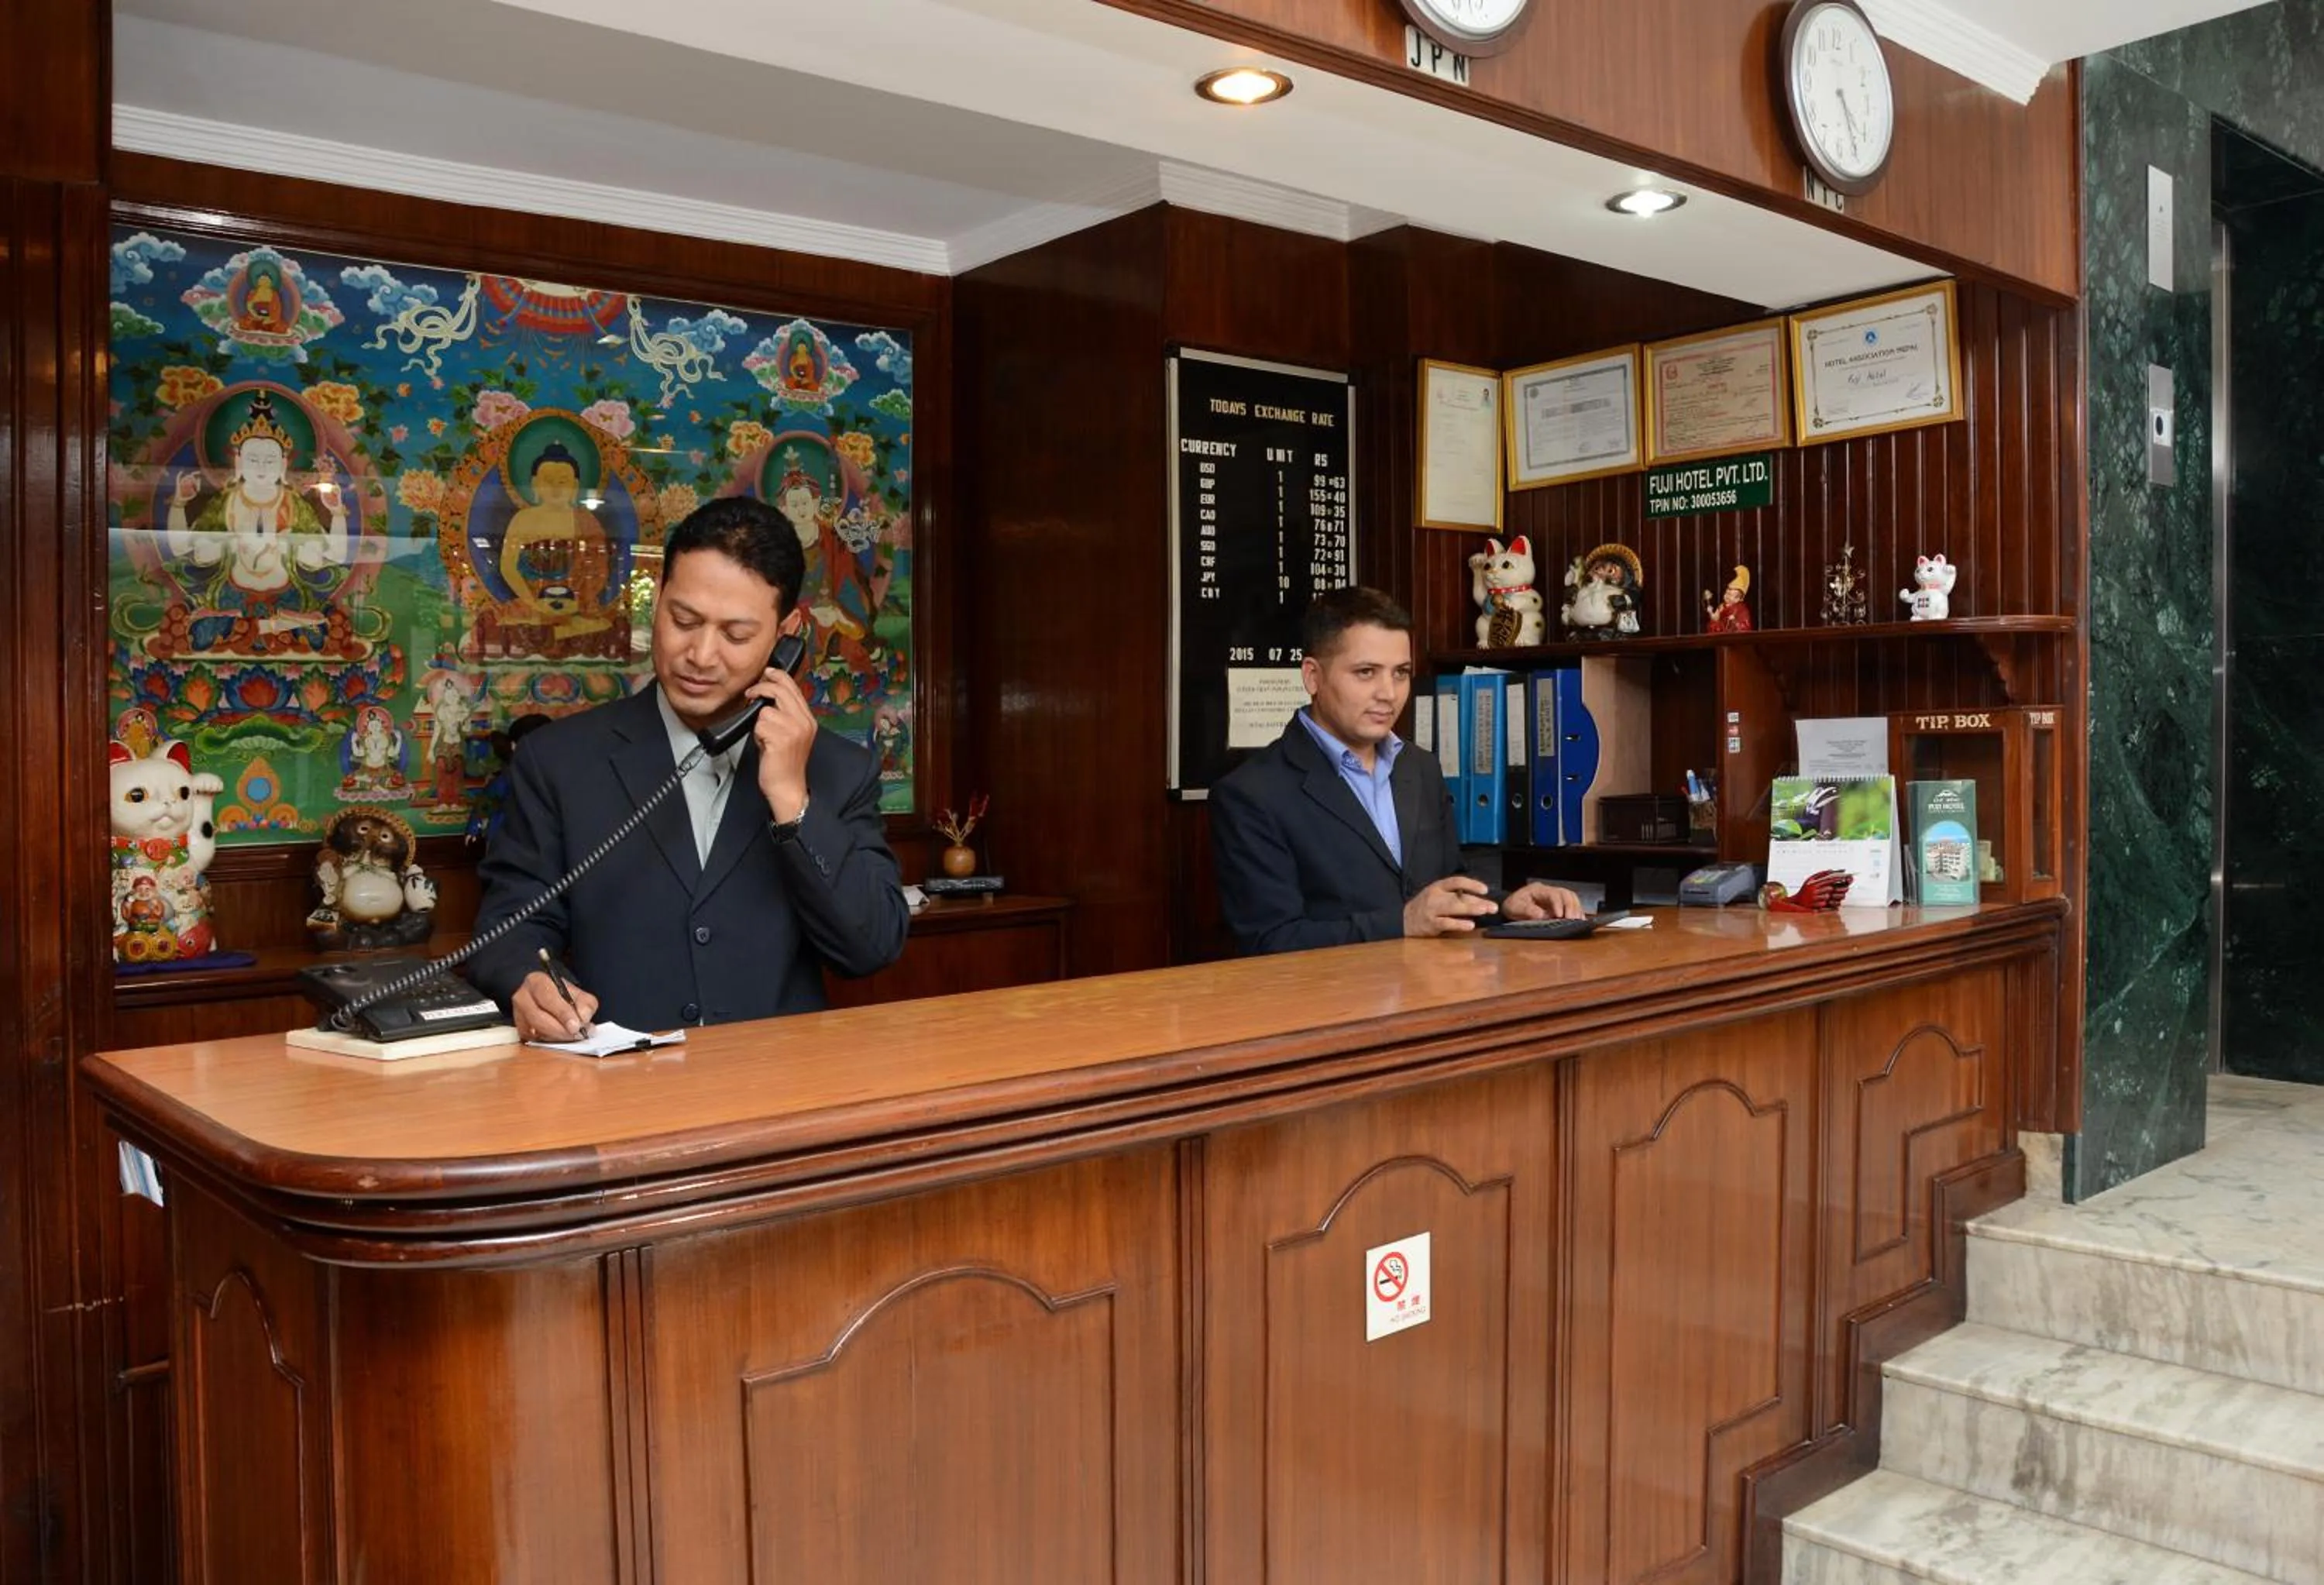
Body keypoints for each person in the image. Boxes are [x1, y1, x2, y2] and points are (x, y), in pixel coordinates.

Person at [467, 496, 907, 1037]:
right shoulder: (559, 760)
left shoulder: (839, 770)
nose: (700, 655)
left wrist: (794, 801)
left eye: (736, 635)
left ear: (786, 634)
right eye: (683, 620)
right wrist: (524, 979)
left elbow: (871, 947)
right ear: (657, 601)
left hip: (782, 1095)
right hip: (616, 1093)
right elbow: (510, 928)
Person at [1210, 586, 1584, 956]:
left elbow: (1447, 888)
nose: (1388, 693)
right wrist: (1403, 923)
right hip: (1333, 1008)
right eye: (1366, 672)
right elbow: (1270, 941)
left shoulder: (1420, 767)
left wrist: (1507, 907)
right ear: (1313, 677)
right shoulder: (1252, 794)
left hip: (1432, 997)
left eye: (1401, 673)